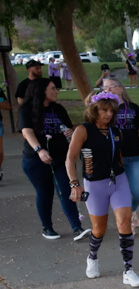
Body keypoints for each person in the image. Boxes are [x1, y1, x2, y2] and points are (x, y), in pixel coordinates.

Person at [66, 92, 139, 287]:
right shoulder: (83, 130)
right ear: (94, 109)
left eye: (111, 110)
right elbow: (70, 159)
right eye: (104, 110)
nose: (108, 114)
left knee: (124, 223)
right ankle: (92, 257)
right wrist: (74, 184)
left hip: (118, 181)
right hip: (95, 184)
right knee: (98, 229)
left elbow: (118, 155)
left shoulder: (115, 130)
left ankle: (129, 270)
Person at [18, 79, 90, 241]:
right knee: (45, 193)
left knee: (66, 191)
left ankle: (77, 228)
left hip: (60, 158)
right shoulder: (27, 109)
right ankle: (47, 228)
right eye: (52, 88)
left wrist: (70, 133)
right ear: (42, 91)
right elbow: (26, 132)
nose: (56, 91)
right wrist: (39, 150)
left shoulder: (58, 109)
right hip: (35, 160)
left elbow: (68, 127)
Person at [101, 77, 139, 227]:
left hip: (134, 157)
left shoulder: (133, 108)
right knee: (120, 194)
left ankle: (131, 210)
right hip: (114, 159)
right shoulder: (103, 111)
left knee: (138, 191)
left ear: (120, 88)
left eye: (112, 86)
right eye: (105, 88)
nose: (108, 90)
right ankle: (126, 219)